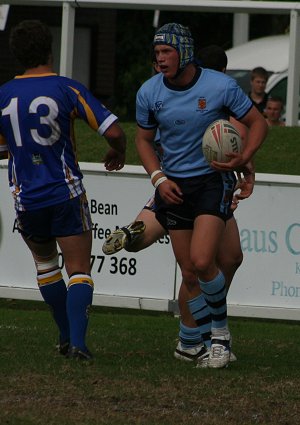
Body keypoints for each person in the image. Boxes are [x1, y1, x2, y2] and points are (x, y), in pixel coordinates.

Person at [102, 43, 257, 368]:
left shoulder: (174, 98)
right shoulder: (215, 102)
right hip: (201, 188)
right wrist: (245, 167)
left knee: (219, 260)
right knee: (205, 265)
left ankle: (137, 233)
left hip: (174, 184)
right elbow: (233, 140)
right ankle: (198, 336)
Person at [0, 20, 127, 360]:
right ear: (49, 49)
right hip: (64, 193)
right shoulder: (66, 88)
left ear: (16, 54)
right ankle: (78, 344)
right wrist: (119, 151)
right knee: (79, 269)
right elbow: (113, 131)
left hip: (26, 198)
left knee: (45, 266)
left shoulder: (3, 95)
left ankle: (64, 335)